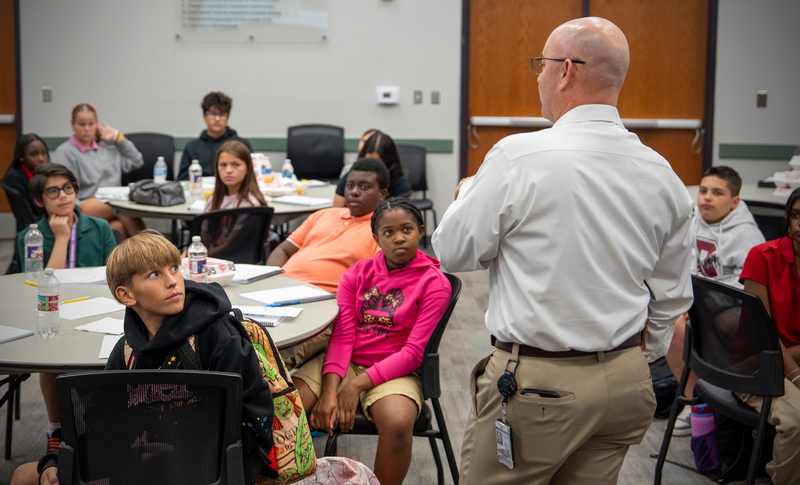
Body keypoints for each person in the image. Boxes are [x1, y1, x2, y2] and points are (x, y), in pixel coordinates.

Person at [432, 17, 694, 484]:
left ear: (566, 70)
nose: (539, 76)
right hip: (625, 386)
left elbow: (452, 252)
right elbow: (673, 297)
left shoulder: (518, 158)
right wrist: (634, 357)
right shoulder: (663, 174)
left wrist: (468, 192)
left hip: (537, 386)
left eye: (542, 64)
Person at [11, 230, 275, 485]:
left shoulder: (219, 338)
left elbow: (256, 420)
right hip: (143, 462)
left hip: (211, 469)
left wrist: (176, 449)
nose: (172, 280)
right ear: (126, 295)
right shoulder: (127, 353)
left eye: (174, 268)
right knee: (25, 475)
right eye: (154, 274)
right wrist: (54, 461)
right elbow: (102, 428)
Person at [294, 198, 450, 485]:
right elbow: (342, 337)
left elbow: (414, 353)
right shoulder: (356, 273)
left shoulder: (434, 283)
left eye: (407, 229)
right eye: (388, 232)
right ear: (376, 237)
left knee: (397, 422)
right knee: (283, 407)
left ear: (421, 230)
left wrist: (355, 385)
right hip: (347, 362)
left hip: (396, 370)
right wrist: (330, 391)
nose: (399, 237)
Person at [12, 163, 117, 485]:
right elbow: (43, 282)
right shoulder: (30, 236)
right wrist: (60, 239)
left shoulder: (99, 227)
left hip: (98, 308)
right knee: (51, 354)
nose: (63, 197)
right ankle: (56, 430)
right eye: (53, 191)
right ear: (39, 200)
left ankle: (103, 429)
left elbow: (116, 275)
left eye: (68, 188)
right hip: (51, 313)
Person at [665, 165, 765, 435]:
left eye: (717, 193)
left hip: (731, 310)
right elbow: (677, 264)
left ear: (734, 202)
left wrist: (697, 305)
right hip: (697, 303)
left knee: (696, 325)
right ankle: (696, 404)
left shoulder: (749, 237)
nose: (707, 197)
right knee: (669, 324)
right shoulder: (691, 221)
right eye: (704, 190)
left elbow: (746, 289)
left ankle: (717, 399)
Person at [738, 187, 800, 485]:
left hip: (791, 355)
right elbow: (764, 336)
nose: (799, 224)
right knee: (798, 421)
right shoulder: (763, 256)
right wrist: (797, 375)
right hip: (757, 363)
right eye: (796, 216)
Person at [266, 158, 388, 293]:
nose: (354, 192)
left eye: (364, 187)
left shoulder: (382, 231)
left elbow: (378, 283)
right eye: (349, 186)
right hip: (279, 290)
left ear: (382, 194)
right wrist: (271, 280)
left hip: (325, 300)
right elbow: (283, 250)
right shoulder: (323, 215)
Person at [50, 103, 145, 239]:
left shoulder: (106, 150)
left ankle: (139, 258)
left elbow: (137, 161)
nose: (87, 129)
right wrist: (74, 217)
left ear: (97, 125)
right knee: (124, 207)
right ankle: (156, 251)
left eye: (91, 123)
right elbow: (65, 188)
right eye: (82, 124)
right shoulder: (65, 152)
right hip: (84, 206)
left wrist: (118, 137)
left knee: (119, 228)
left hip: (113, 204)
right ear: (72, 125)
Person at [199, 140, 267, 258]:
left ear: (248, 168)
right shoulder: (212, 199)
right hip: (210, 261)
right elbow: (201, 243)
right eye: (223, 165)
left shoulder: (250, 204)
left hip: (235, 263)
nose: (228, 170)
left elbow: (229, 248)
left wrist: (196, 257)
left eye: (236, 164)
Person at [178, 92, 252, 180]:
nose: (217, 119)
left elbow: (251, 175)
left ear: (227, 119)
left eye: (222, 114)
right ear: (204, 117)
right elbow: (183, 179)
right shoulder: (192, 147)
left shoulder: (241, 145)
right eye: (213, 114)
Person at [333, 130, 411, 207]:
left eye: (377, 164)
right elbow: (336, 211)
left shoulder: (400, 186)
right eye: (368, 162)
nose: (371, 168)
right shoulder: (349, 179)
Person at [2, 134, 49, 231]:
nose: (42, 159)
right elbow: (27, 219)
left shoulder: (48, 174)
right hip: (33, 233)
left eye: (44, 153)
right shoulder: (14, 177)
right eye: (34, 154)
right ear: (21, 157)